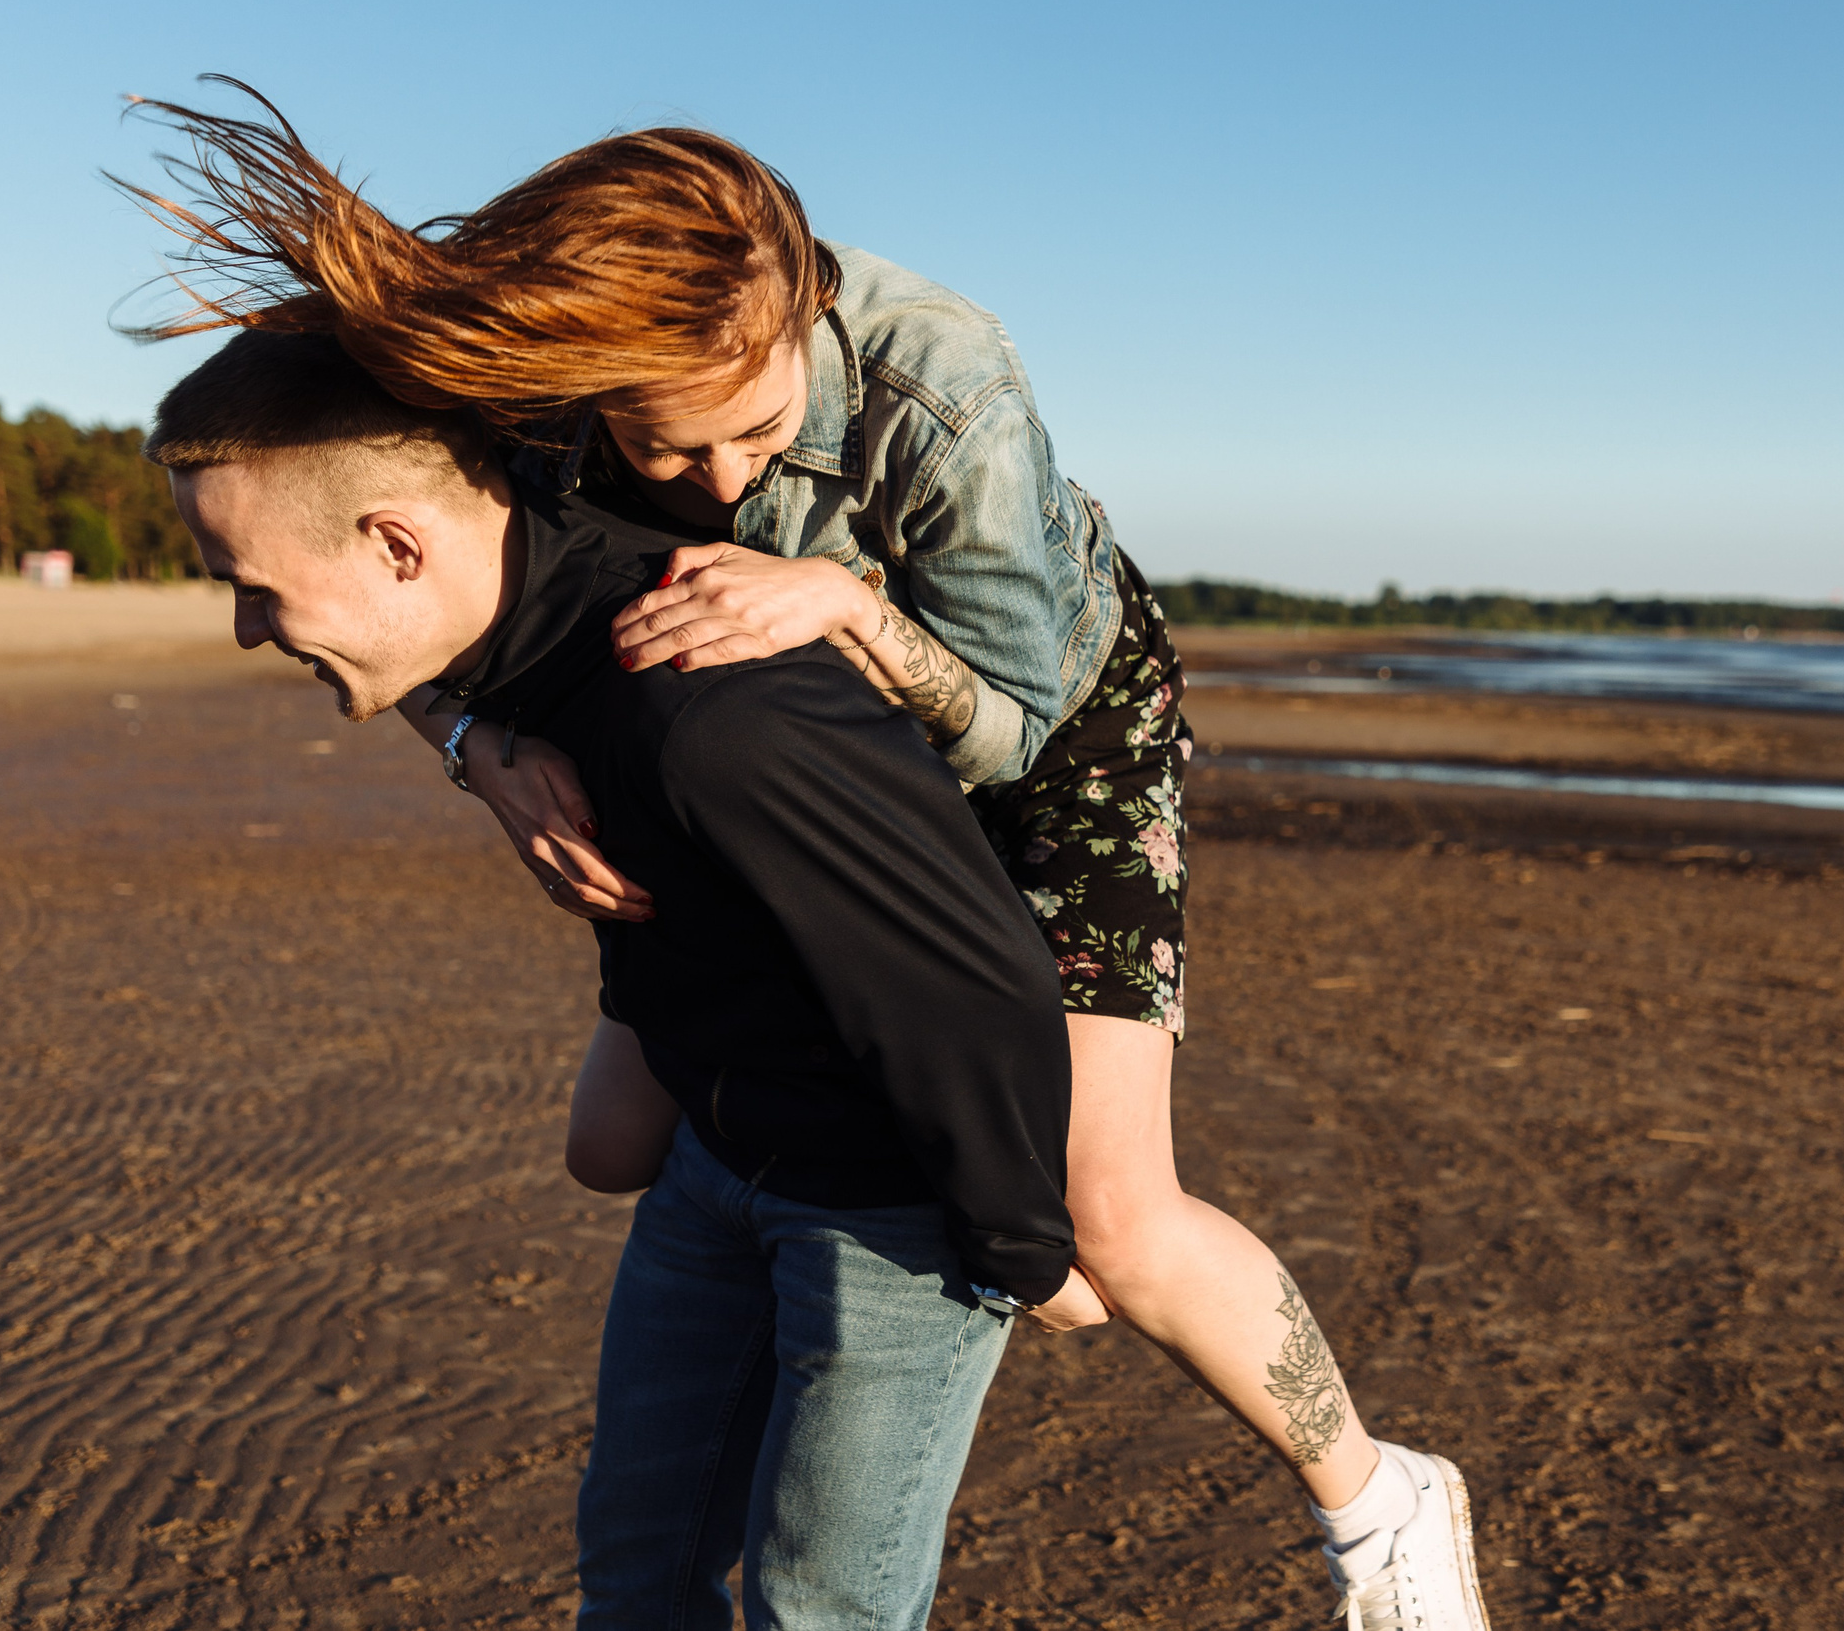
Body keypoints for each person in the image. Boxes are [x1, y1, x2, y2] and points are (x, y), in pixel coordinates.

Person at [123, 83, 1490, 1630]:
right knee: (615, 1141)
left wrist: (844, 613)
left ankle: (1377, 1501)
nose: (712, 480)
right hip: (793, 713)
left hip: (1044, 711)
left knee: (1105, 1200)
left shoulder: (947, 382)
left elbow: (1006, 729)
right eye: (662, 442)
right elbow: (420, 552)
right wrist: (473, 745)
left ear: (813, 315)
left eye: (755, 433)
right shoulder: (570, 380)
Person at [147, 329, 1110, 1630]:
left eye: (253, 587)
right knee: (639, 1566)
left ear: (395, 544)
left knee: (820, 1608)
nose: (247, 629)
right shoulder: (519, 629)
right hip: (716, 1161)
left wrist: (1020, 1245)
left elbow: (972, 977)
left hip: (893, 1217)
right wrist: (474, 740)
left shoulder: (707, 712)